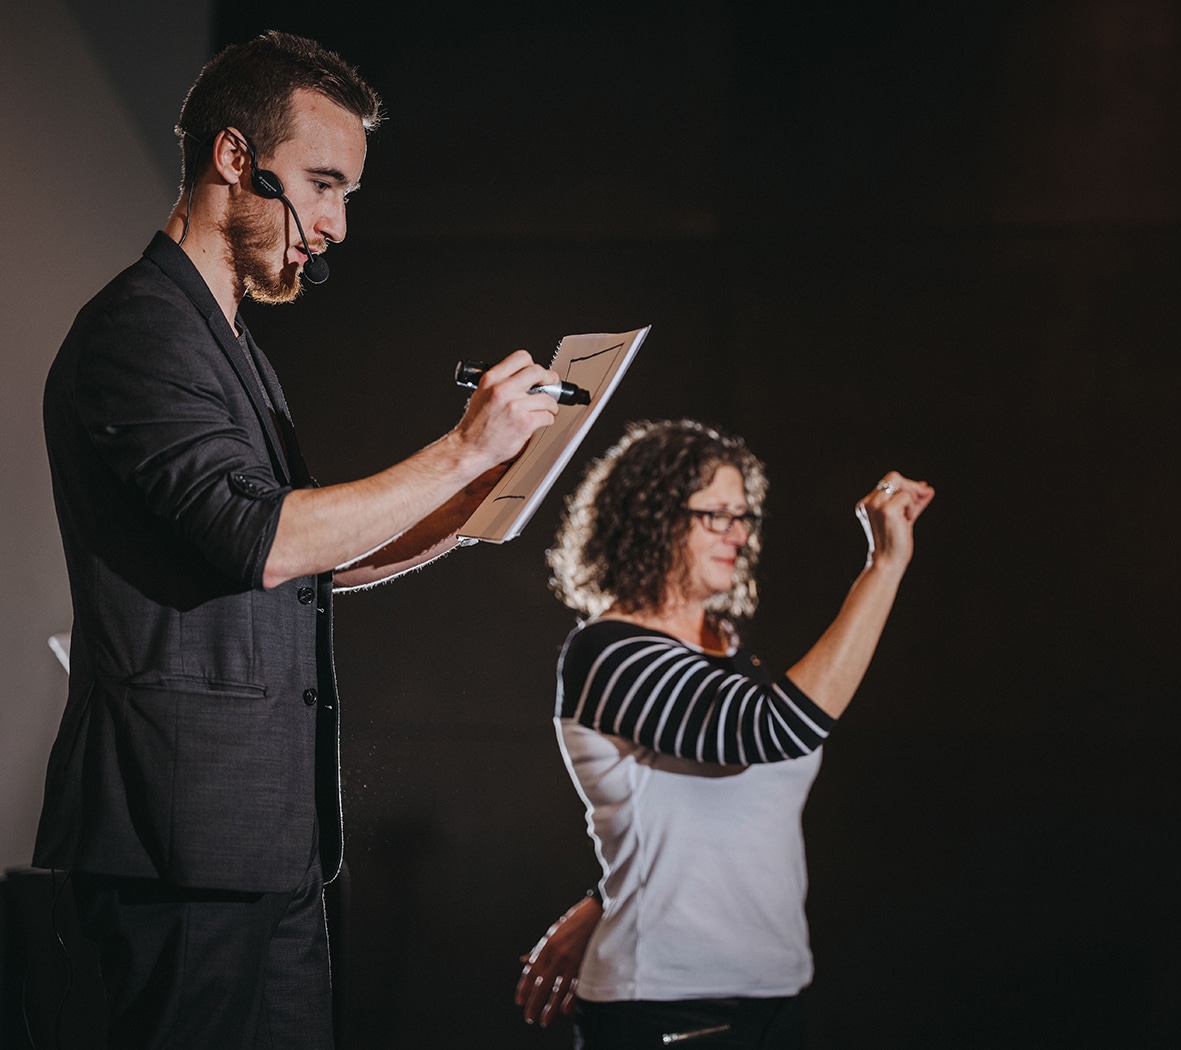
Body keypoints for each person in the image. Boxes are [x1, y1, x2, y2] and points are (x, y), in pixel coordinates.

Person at [33, 30, 560, 1049]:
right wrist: (457, 451)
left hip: (273, 851)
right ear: (235, 158)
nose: (335, 224)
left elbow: (314, 556)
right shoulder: (139, 332)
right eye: (322, 184)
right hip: (179, 852)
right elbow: (262, 541)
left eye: (348, 194)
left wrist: (475, 501)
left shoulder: (233, 347)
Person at [515, 419, 933, 1048]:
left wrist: (606, 896)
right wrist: (884, 565)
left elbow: (701, 822)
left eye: (744, 516)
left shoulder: (730, 648)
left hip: (777, 990)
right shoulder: (608, 650)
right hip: (665, 1003)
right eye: (716, 515)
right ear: (651, 519)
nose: (738, 534)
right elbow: (772, 728)